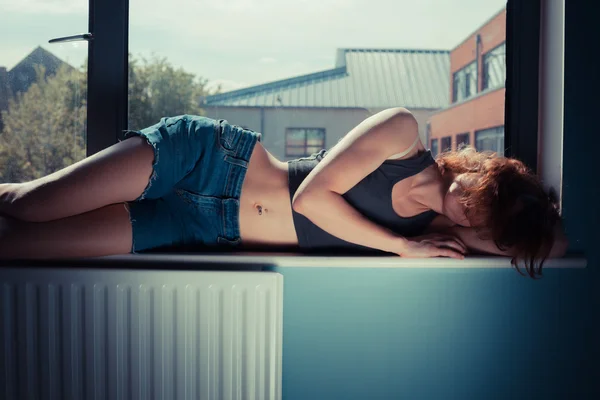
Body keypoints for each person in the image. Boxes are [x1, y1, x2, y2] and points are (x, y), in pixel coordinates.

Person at [0, 108, 567, 277]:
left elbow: (552, 248)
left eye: (483, 217)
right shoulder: (402, 135)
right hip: (205, 161)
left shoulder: (437, 234)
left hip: (198, 227)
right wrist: (402, 248)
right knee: (30, 206)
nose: (470, 207)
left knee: (16, 248)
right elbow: (310, 199)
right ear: (480, 167)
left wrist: (532, 217)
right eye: (482, 193)